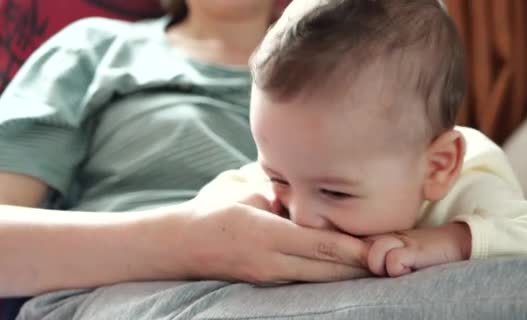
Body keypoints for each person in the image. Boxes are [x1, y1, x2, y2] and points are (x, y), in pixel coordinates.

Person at [0, 0, 372, 298]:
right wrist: (186, 243)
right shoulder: (94, 47)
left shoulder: (368, 70)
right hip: (129, 292)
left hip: (335, 285)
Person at [234, 0, 527, 277]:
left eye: (335, 193)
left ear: (436, 168)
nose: (300, 216)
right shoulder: (306, 165)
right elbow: (215, 202)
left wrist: (458, 242)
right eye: (278, 178)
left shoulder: (472, 195)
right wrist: (242, 206)